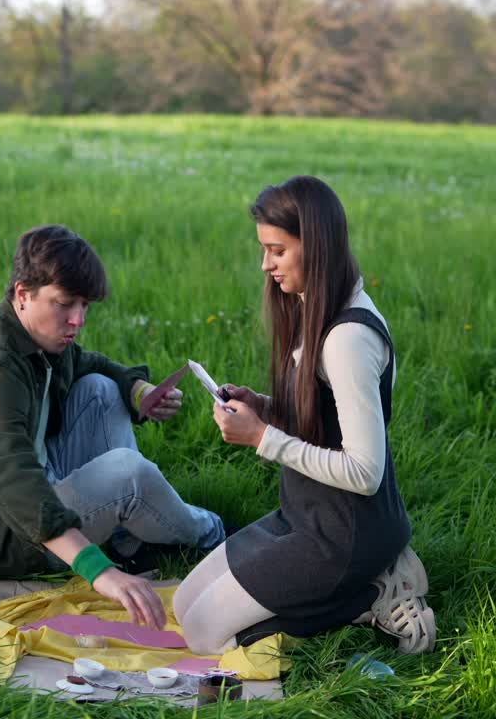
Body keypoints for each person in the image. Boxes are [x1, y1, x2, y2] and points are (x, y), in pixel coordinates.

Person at [0, 224, 226, 628]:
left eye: (85, 306)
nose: (78, 319)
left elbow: (89, 364)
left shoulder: (27, 335)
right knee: (130, 475)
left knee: (101, 390)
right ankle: (213, 534)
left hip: (26, 492)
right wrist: (99, 571)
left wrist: (139, 391)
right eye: (65, 304)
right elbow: (17, 484)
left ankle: (126, 538)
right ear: (23, 293)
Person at [173, 176, 436, 654]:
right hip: (303, 515)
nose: (265, 264)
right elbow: (327, 415)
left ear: (315, 246)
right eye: (264, 249)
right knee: (184, 606)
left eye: (277, 250)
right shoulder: (315, 305)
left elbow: (365, 472)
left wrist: (262, 437)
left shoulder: (347, 339)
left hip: (344, 535)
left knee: (205, 636)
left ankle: (373, 595)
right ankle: (365, 585)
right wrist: (268, 408)